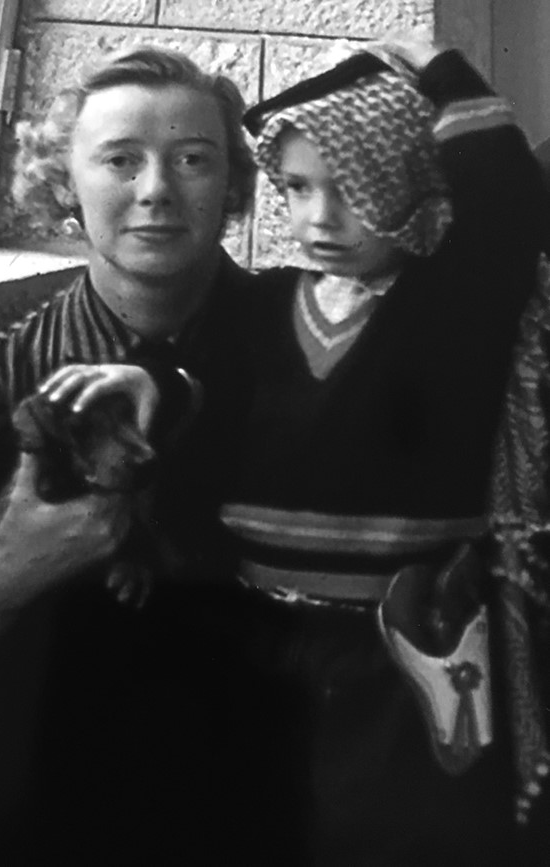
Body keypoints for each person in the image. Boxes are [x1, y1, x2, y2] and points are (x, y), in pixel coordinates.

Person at [49, 40, 550, 865]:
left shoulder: (456, 307)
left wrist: (443, 75)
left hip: (398, 650)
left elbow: (506, 199)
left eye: (351, 188)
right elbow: (200, 384)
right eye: (297, 188)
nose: (318, 219)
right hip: (258, 635)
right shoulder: (265, 307)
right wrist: (152, 388)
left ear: (410, 180)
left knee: (387, 830)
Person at [0, 46, 261, 866]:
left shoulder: (297, 352)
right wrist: (4, 585)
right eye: (120, 160)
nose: (157, 190)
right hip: (64, 805)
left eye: (193, 159)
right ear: (65, 183)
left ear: (234, 183)